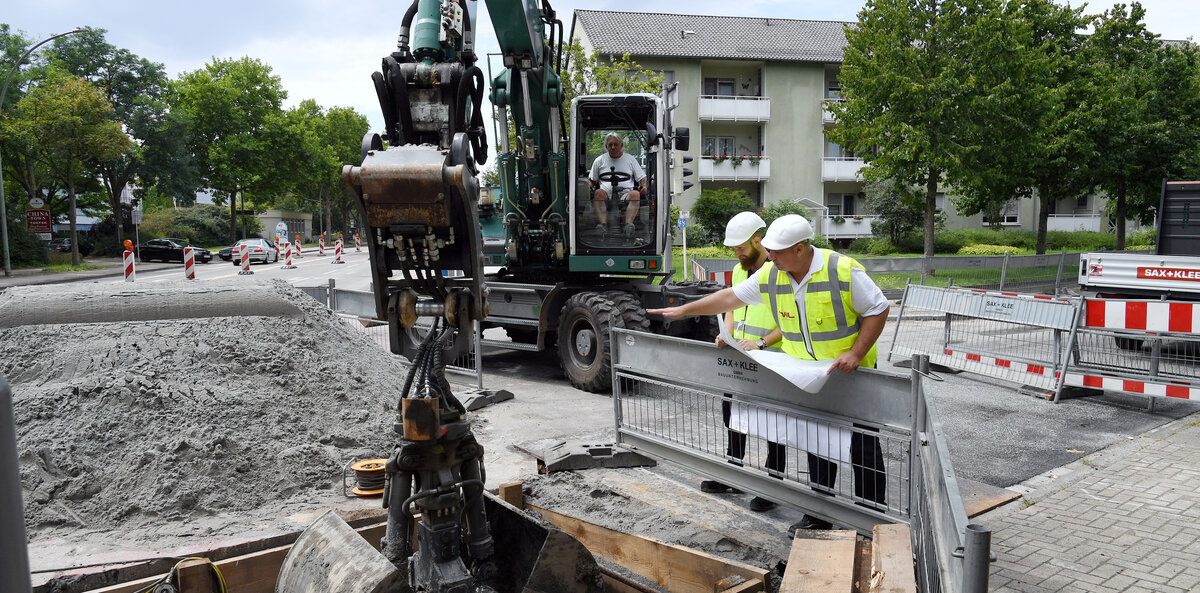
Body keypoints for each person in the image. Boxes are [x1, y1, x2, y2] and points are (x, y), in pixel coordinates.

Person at [648, 214, 890, 535]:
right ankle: (819, 515)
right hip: (809, 374)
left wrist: (856, 353)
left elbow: (878, 308)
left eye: (777, 251)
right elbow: (730, 298)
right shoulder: (773, 274)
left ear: (800, 249)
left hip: (852, 374)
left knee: (862, 446)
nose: (771, 256)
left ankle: (871, 519)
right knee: (818, 441)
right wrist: (684, 309)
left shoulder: (841, 270)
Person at [700, 212, 785, 513]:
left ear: (757, 241)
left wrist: (761, 342)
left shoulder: (778, 272)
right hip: (741, 357)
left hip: (771, 359)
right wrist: (727, 334)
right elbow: (731, 309)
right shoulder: (739, 270)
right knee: (732, 415)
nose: (736, 253)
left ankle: (773, 486)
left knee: (774, 426)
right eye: (733, 248)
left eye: (740, 247)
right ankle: (733, 473)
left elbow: (788, 321)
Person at [589, 133, 647, 241]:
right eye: (610, 144)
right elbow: (591, 180)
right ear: (606, 146)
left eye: (616, 144)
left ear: (621, 145)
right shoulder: (599, 160)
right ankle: (603, 225)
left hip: (625, 194)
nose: (613, 147)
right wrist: (589, 188)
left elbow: (642, 177)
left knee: (635, 194)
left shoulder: (630, 159)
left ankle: (628, 226)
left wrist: (644, 186)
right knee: (598, 193)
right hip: (606, 194)